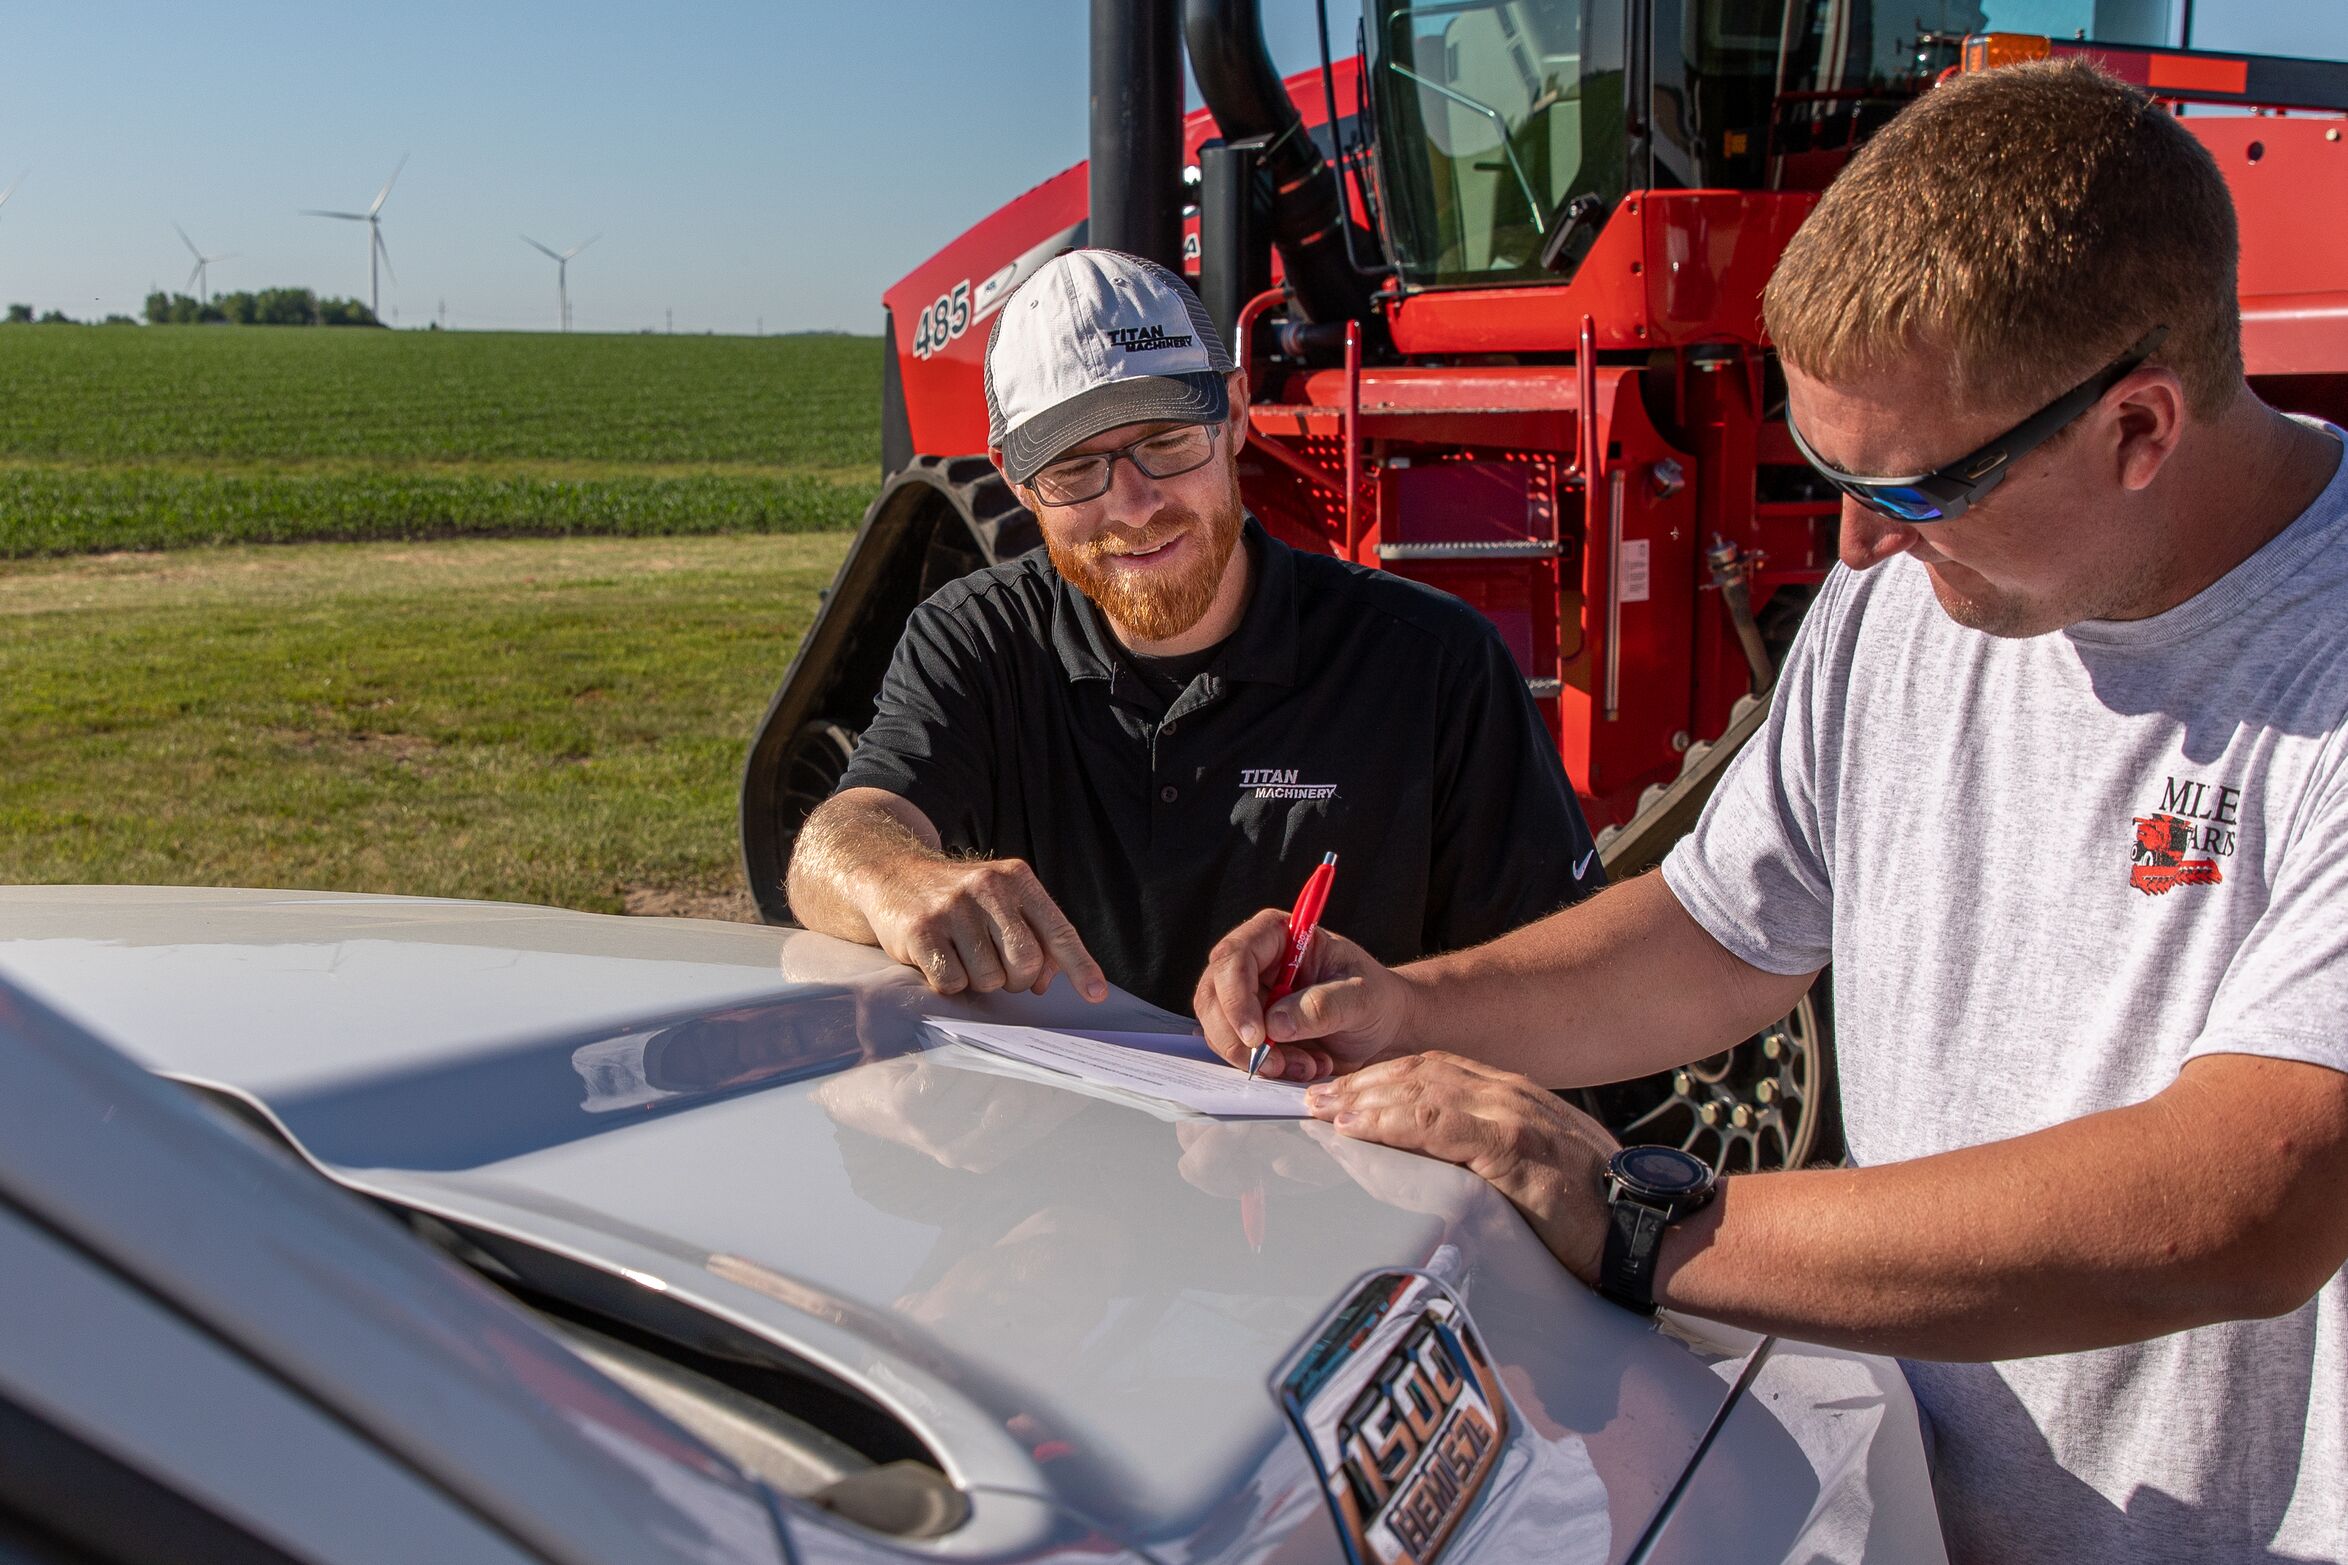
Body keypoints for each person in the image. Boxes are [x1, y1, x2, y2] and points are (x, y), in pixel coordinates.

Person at [1193, 61, 2348, 1564]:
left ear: (2138, 426)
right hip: (1938, 1516)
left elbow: (2255, 1193)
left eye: (1913, 490)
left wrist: (1645, 1220)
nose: (1854, 545)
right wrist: (1413, 1007)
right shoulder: (1910, 606)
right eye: (1828, 472)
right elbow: (1720, 934)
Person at [787, 249, 1600, 1016]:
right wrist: (896, 876)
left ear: (1235, 417)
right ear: (1016, 480)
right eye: (1075, 469)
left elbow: (1565, 982)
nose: (1134, 505)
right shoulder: (975, 639)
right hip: (1059, 1153)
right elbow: (836, 839)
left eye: (1166, 441)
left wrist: (1398, 1012)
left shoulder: (1432, 668)